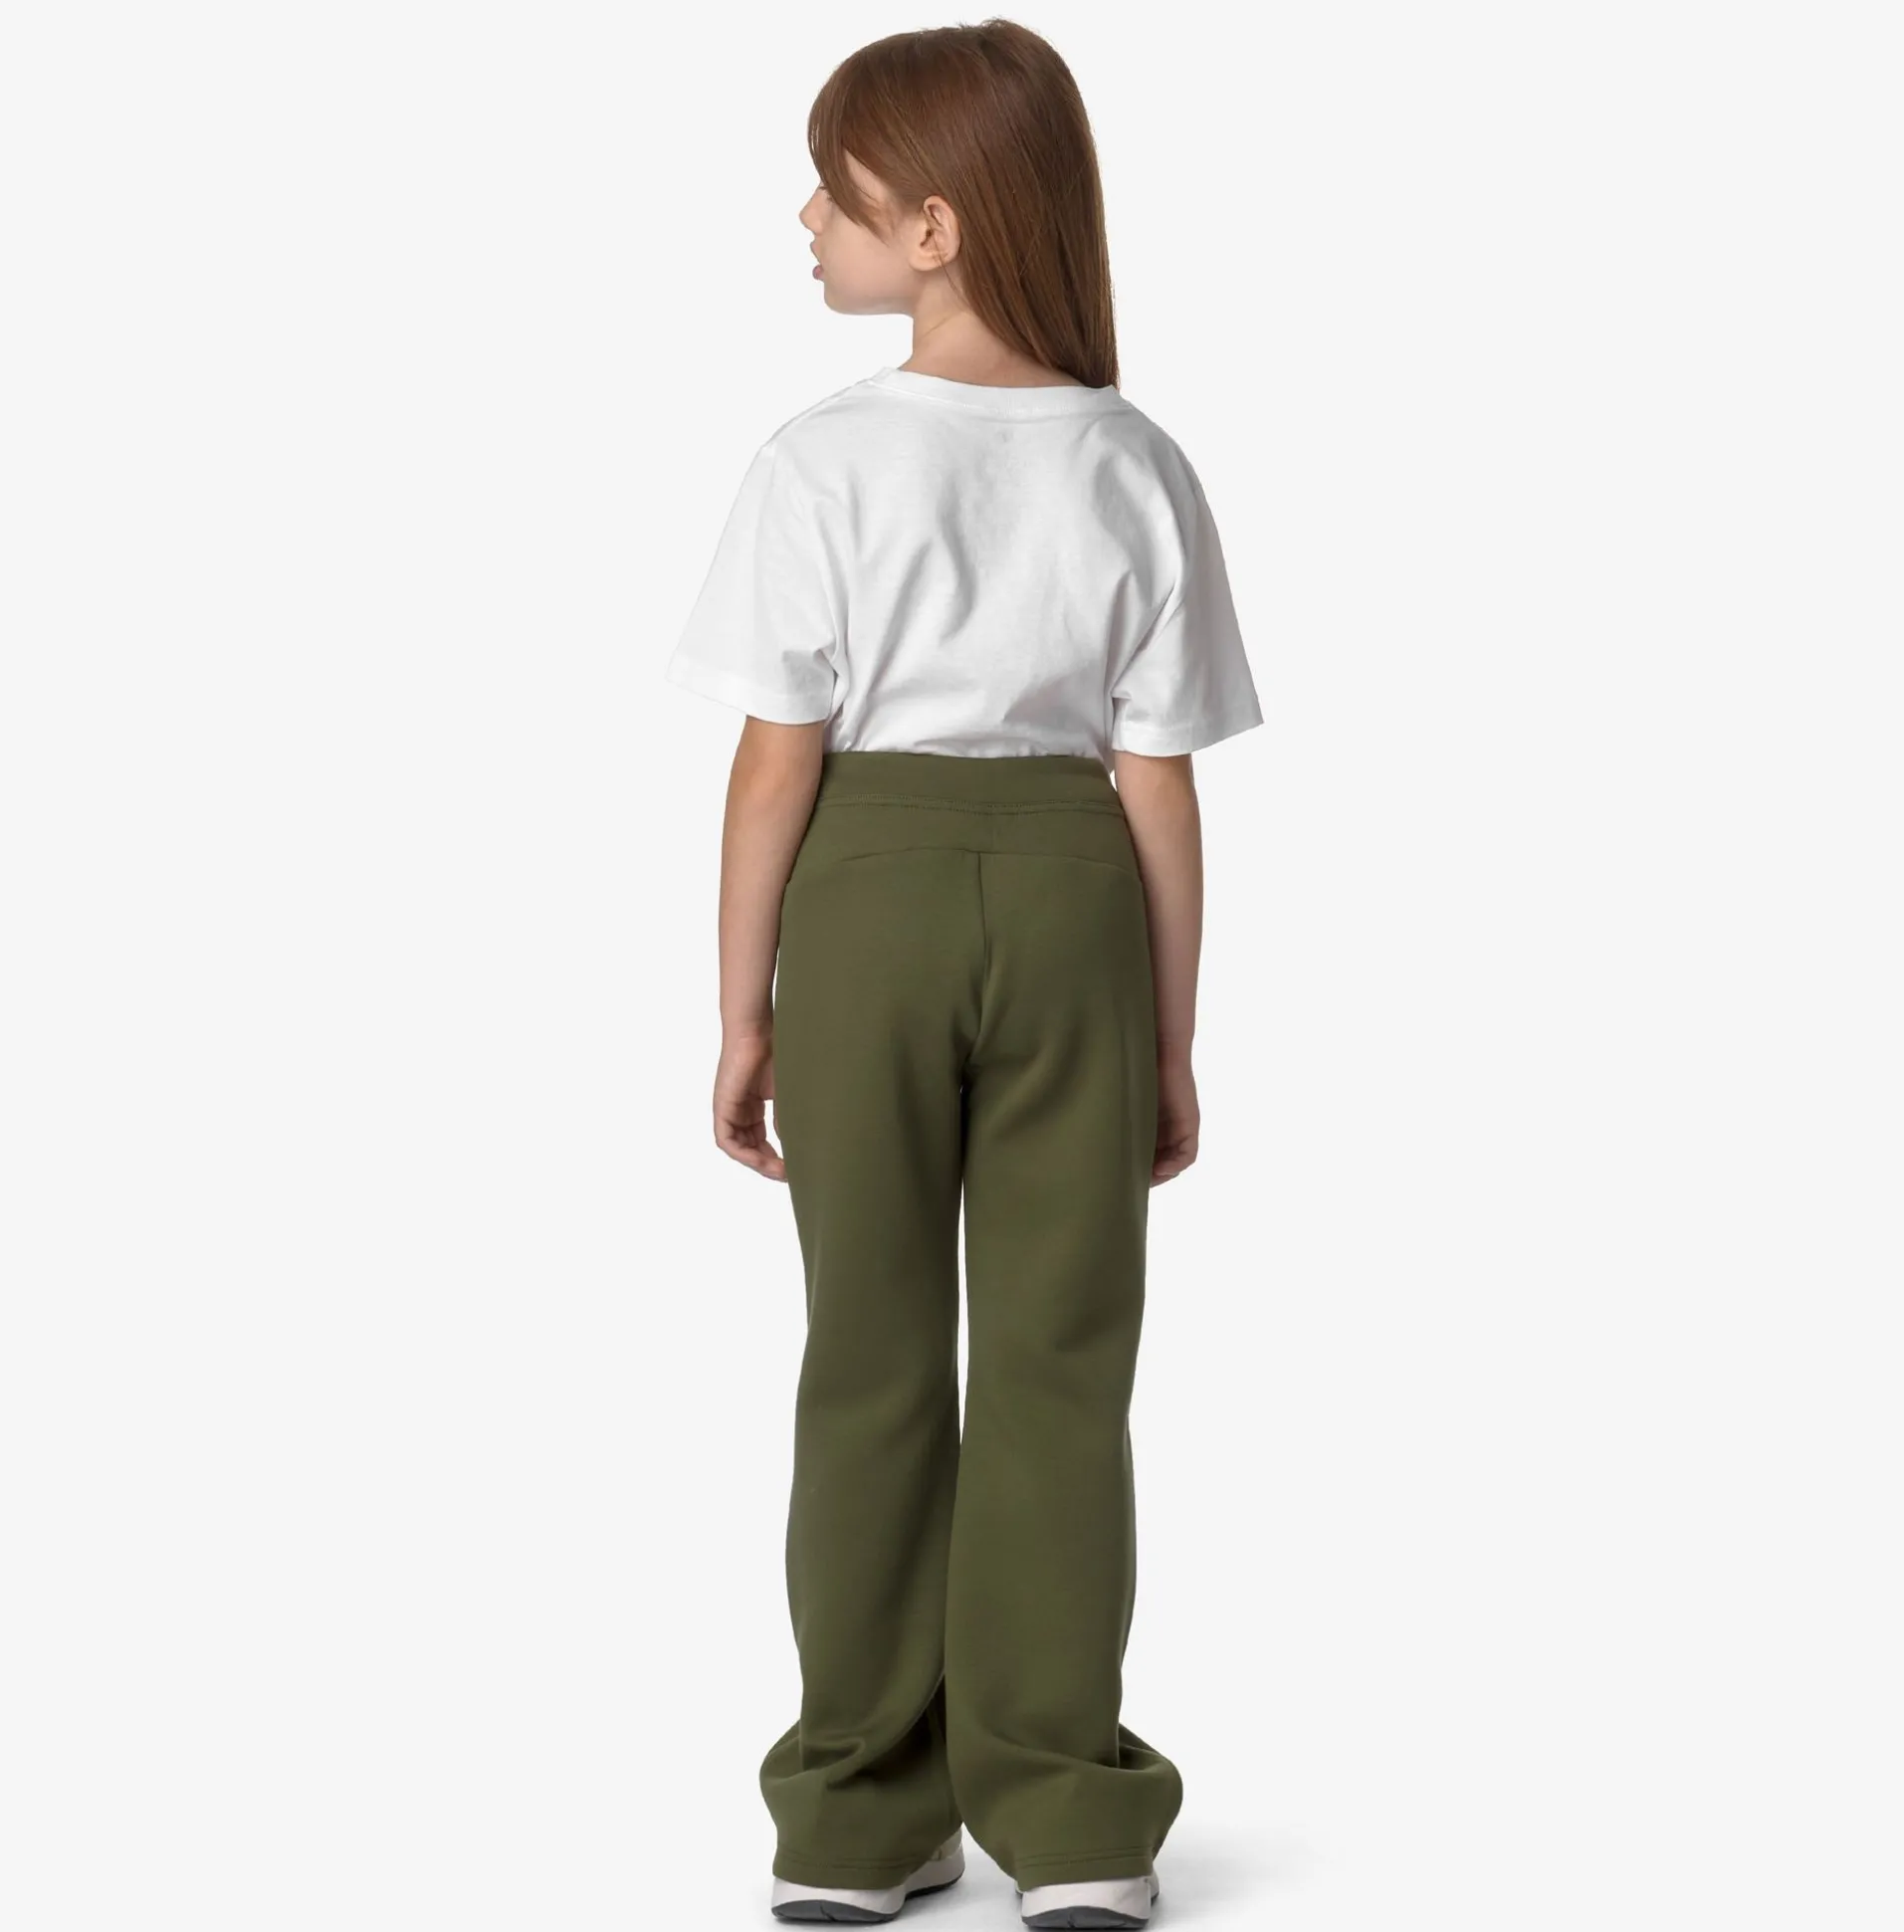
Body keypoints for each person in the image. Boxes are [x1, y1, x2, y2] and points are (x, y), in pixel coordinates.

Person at [664, 22, 1263, 1928]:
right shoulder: (1136, 461)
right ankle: (1070, 1825)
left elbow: (777, 765)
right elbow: (1156, 781)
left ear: (933, 226)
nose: (803, 219)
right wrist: (1169, 1035)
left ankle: (855, 1820)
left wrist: (743, 1007)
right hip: (1079, 903)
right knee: (1063, 1367)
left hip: (867, 901)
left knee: (869, 1359)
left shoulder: (821, 461)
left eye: (836, 191)